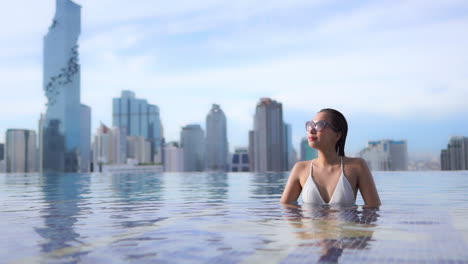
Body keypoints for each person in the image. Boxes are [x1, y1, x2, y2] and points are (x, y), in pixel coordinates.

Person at [280, 108, 381, 207]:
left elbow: (373, 210)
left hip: (347, 224)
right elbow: (286, 208)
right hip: (309, 224)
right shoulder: (300, 169)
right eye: (310, 125)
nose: (312, 130)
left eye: (319, 125)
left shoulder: (357, 166)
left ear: (337, 135)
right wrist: (301, 223)